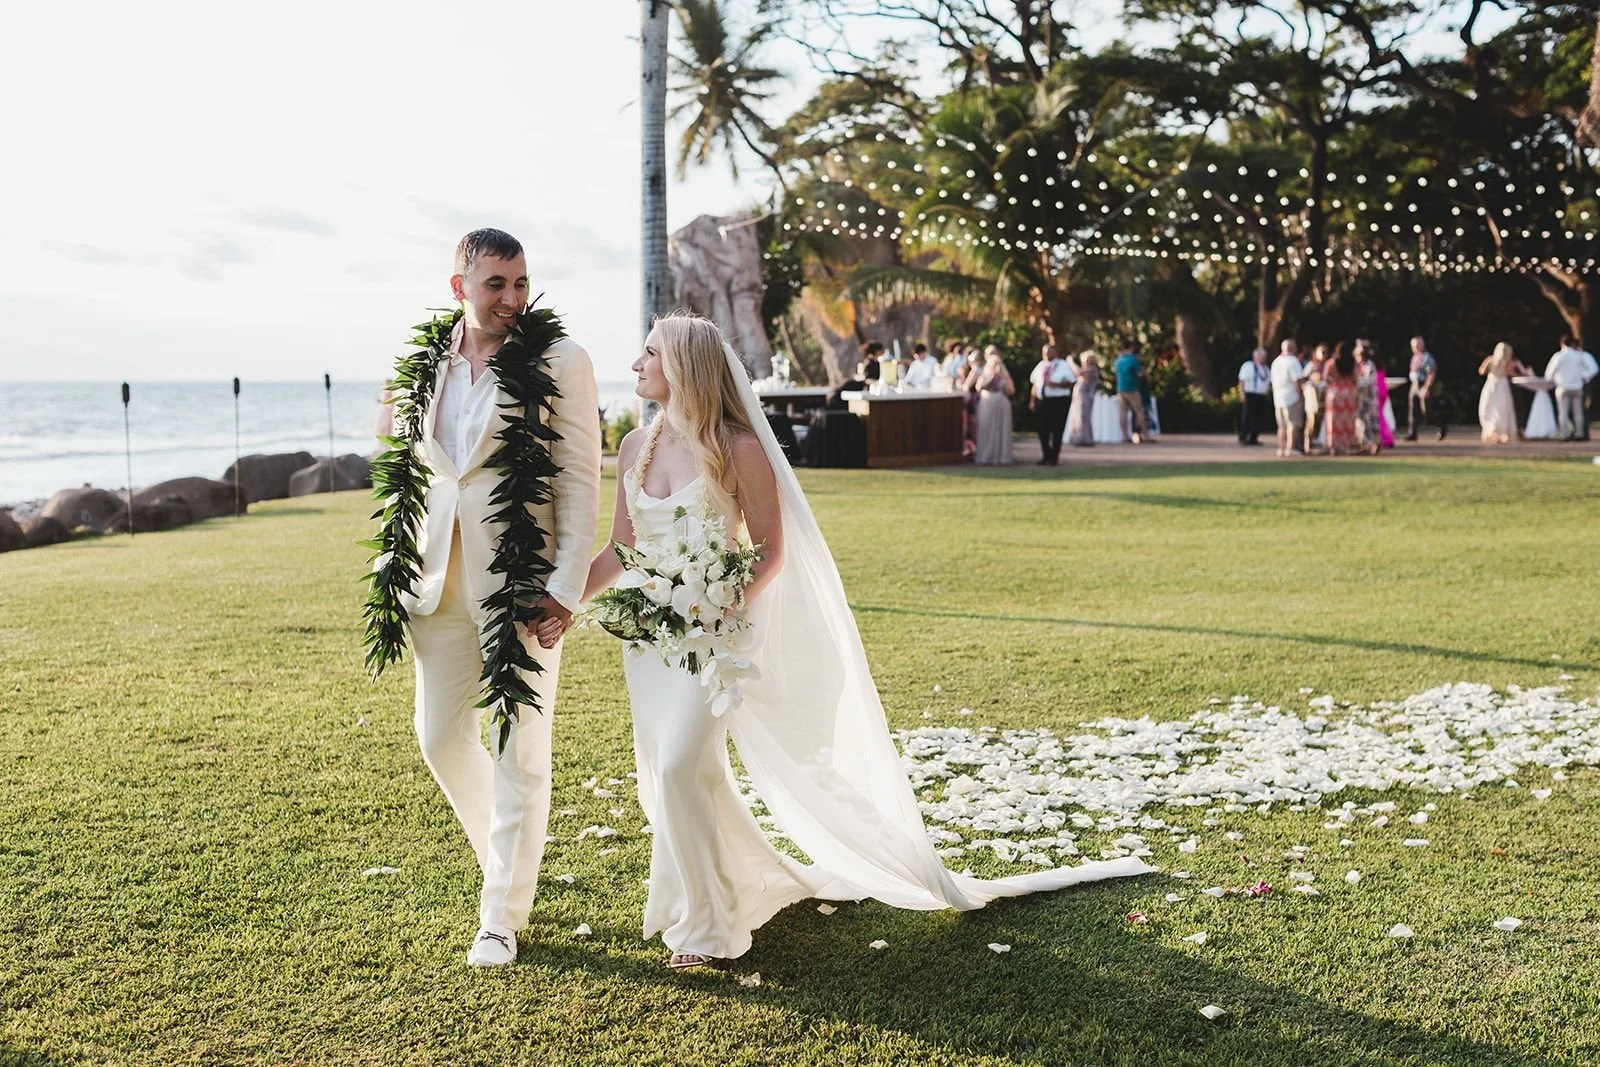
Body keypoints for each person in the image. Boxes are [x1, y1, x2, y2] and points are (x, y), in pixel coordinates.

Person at [582, 312, 1150, 971]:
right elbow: (622, 548)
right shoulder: (634, 447)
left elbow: (769, 552)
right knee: (680, 773)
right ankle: (734, 886)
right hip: (650, 640)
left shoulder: (737, 447)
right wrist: (565, 601)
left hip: (716, 637)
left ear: (682, 365)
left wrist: (722, 600)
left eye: (648, 353)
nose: (636, 365)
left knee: (681, 763)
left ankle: (709, 926)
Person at [394, 229, 601, 967]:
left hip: (522, 584)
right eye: (496, 285)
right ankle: (506, 864)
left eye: (520, 283)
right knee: (440, 737)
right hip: (435, 580)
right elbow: (421, 467)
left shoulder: (561, 361)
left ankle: (500, 917)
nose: (513, 299)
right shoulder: (427, 362)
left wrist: (567, 587)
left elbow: (580, 479)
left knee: (521, 753)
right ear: (460, 288)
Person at [1028, 344, 1076, 465]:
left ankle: (1054, 457)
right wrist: (1032, 400)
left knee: (1057, 429)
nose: (1046, 354)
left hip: (1058, 400)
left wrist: (1056, 385)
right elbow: (1035, 384)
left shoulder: (1062, 365)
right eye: (1044, 352)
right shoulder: (1040, 366)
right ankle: (1046, 454)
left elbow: (1071, 382)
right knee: (1042, 429)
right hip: (1042, 400)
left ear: (1055, 352)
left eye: (1049, 352)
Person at [1545, 335, 1599, 441]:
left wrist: (1555, 379)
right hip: (1577, 386)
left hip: (1563, 386)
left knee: (1563, 412)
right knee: (1578, 412)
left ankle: (1564, 434)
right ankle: (1579, 434)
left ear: (1562, 344)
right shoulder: (1579, 355)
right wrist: (1584, 376)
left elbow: (1549, 373)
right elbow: (1594, 368)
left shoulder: (1559, 356)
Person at [1478, 342, 1530, 444]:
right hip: (1502, 385)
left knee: (1490, 408)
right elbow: (1511, 373)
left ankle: (1493, 432)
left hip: (1491, 385)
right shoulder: (1507, 362)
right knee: (1502, 409)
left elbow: (1481, 371)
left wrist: (1491, 370)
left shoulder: (1490, 359)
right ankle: (1501, 432)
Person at [974, 346, 1016, 465]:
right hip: (987, 403)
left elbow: (1011, 390)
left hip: (1001, 403)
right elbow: (979, 387)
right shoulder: (984, 372)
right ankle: (986, 457)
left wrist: (1002, 376)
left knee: (1001, 431)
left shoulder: (1003, 374)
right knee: (986, 430)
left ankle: (1002, 457)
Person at [1323, 340, 1362, 456]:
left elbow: (1326, 378)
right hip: (1349, 393)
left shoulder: (1331, 363)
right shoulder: (1353, 363)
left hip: (1334, 394)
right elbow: (1356, 379)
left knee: (1333, 422)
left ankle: (1333, 447)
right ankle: (1347, 446)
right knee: (1348, 422)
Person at [1269, 339, 1305, 457]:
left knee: (1281, 425)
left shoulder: (1276, 361)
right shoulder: (1293, 361)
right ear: (1293, 348)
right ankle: (1291, 448)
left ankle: (1281, 448)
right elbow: (1297, 380)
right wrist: (1300, 394)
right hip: (1291, 396)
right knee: (1292, 424)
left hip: (1278, 397)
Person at [1405, 336, 1444, 441]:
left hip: (1423, 384)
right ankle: (1412, 432)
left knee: (1426, 412)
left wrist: (1427, 388)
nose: (1416, 348)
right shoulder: (1415, 357)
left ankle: (1441, 426)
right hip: (1414, 384)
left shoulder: (1427, 358)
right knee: (1412, 410)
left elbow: (1431, 373)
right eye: (1414, 346)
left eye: (1418, 345)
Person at [1113, 342, 1150, 443]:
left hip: (1120, 388)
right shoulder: (1132, 359)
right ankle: (1145, 434)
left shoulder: (1118, 360)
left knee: (1123, 412)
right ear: (1131, 348)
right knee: (1139, 411)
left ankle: (1125, 436)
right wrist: (1145, 373)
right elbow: (1139, 374)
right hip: (1132, 388)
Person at [1237, 347, 1272, 446]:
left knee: (1259, 418)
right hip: (1250, 394)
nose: (1264, 358)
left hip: (1261, 396)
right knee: (1247, 417)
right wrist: (1242, 393)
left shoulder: (1266, 368)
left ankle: (1253, 438)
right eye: (1262, 356)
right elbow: (1242, 381)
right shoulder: (1248, 366)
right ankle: (1243, 437)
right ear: (1256, 356)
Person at [1066, 350, 1101, 447]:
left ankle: (1085, 439)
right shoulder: (1088, 369)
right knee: (1078, 417)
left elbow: (1079, 372)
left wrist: (1071, 362)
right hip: (1080, 397)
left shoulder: (1092, 369)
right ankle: (1078, 438)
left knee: (1084, 417)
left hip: (1086, 396)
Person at [1301, 344, 1328, 454]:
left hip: (1324, 399)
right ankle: (1307, 446)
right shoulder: (1311, 366)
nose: (1323, 355)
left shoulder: (1327, 366)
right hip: (1313, 399)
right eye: (1321, 352)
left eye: (1325, 352)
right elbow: (1303, 380)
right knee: (1311, 421)